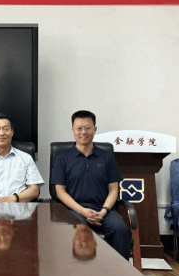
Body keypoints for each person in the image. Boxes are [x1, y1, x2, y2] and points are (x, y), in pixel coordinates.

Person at [50, 110, 131, 260]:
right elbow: (60, 192)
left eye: (87, 128)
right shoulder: (62, 158)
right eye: (79, 128)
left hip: (104, 210)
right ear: (73, 130)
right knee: (80, 229)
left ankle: (120, 272)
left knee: (120, 230)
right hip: (74, 210)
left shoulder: (107, 157)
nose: (83, 132)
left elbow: (114, 190)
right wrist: (83, 211)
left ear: (95, 129)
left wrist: (103, 211)